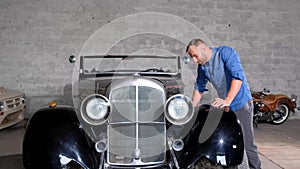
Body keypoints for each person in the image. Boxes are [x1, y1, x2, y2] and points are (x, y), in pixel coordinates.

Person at [186, 39, 261, 169]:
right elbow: (199, 87)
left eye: (195, 55)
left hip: (242, 104)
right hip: (227, 106)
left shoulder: (226, 53)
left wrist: (227, 100)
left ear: (203, 48)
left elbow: (238, 78)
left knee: (248, 144)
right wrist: (192, 107)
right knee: (229, 142)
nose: (194, 60)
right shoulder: (203, 67)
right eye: (191, 57)